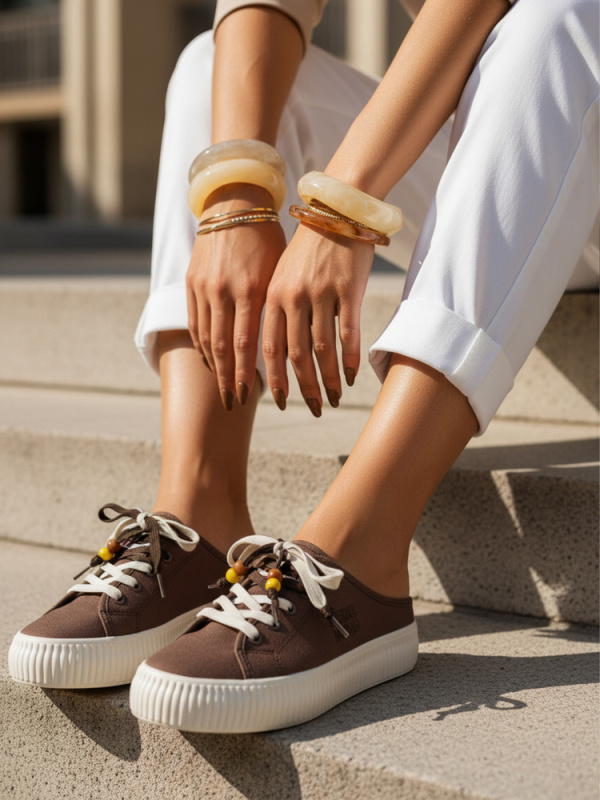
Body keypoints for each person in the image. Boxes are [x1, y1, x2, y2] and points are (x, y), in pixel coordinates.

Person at [9, 0, 599, 734]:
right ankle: (199, 515)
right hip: (517, 145)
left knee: (558, 15)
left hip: (573, 89)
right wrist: (235, 206)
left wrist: (340, 210)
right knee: (211, 67)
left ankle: (365, 555)